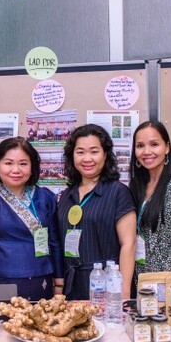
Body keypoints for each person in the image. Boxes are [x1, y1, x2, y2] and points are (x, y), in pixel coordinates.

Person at [0, 137, 63, 300]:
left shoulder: (45, 197)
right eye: (8, 163)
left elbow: (54, 242)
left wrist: (59, 283)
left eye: (23, 164)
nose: (16, 170)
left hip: (40, 282)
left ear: (32, 168)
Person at [57, 124, 136, 300]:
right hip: (72, 285)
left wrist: (123, 294)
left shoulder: (118, 192)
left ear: (105, 154)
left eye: (94, 151)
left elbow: (128, 245)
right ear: (72, 156)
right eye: (80, 152)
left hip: (106, 285)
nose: (87, 158)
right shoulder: (65, 196)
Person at [128, 121, 171, 285]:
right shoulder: (137, 185)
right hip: (139, 278)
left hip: (164, 284)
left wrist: (161, 284)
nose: (146, 151)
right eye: (140, 146)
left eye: (154, 144)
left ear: (166, 148)